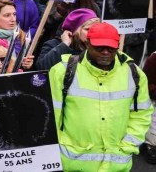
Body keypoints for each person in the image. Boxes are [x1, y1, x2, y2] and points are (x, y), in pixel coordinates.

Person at [49, 22, 152, 171]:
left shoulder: (134, 74)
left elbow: (142, 114)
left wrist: (128, 146)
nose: (105, 52)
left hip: (116, 166)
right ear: (87, 44)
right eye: (99, 47)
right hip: (72, 164)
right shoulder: (61, 72)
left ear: (118, 46)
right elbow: (51, 117)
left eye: (111, 48)